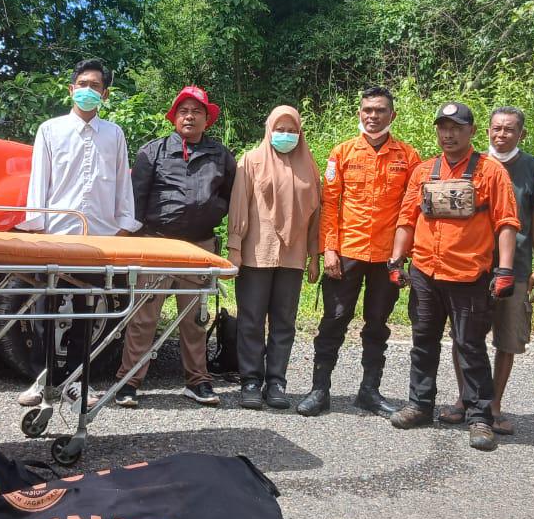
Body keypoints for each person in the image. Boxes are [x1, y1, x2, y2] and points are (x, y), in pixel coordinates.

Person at [387, 102, 520, 451]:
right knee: (423, 343)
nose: (449, 134)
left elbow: (506, 222)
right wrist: (396, 261)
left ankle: (480, 417)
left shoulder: (491, 172)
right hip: (425, 273)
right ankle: (420, 405)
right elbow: (407, 219)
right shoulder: (423, 171)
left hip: (469, 275)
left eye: (457, 128)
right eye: (444, 128)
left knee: (470, 347)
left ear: (472, 131)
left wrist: (505, 270)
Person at [15, 59, 141, 405]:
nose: (88, 90)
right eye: (82, 84)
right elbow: (39, 181)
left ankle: (75, 382)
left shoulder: (114, 134)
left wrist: (124, 227)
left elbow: (122, 183)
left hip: (98, 238)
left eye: (95, 86)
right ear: (71, 89)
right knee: (45, 308)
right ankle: (42, 380)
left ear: (105, 94)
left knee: (87, 310)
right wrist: (37, 227)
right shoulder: (50, 130)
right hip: (56, 234)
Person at [296, 87, 421, 418]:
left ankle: (369, 391)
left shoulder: (408, 157)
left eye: (380, 110)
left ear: (392, 115)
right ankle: (319, 390)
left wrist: (403, 255)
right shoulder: (342, 153)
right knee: (334, 320)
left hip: (387, 256)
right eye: (367, 110)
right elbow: (330, 204)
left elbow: (412, 210)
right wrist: (329, 249)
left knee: (377, 323)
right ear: (359, 113)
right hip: (347, 251)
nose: (373, 116)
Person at [115, 86, 236, 407]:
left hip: (199, 247)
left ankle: (198, 381)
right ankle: (129, 381)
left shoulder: (221, 155)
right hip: (155, 244)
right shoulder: (152, 152)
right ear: (174, 117)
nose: (189, 117)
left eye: (197, 111)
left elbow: (229, 196)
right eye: (183, 111)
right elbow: (135, 203)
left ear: (207, 119)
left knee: (195, 317)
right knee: (143, 316)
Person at [436, 106, 534, 435]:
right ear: (485, 131)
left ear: (521, 134)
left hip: (517, 265)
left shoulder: (533, 168)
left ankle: (493, 404)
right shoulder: (471, 163)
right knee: (463, 336)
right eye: (496, 128)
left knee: (507, 338)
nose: (501, 134)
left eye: (509, 129)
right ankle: (465, 399)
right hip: (472, 265)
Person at [227, 106, 321, 410]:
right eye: (280, 130)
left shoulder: (309, 165)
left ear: (300, 133)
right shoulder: (251, 161)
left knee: (284, 321)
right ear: (269, 130)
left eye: (292, 130)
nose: (286, 135)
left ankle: (277, 382)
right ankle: (250, 381)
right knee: (251, 320)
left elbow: (316, 214)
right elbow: (239, 205)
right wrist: (234, 248)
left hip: (293, 256)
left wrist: (314, 255)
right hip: (256, 252)